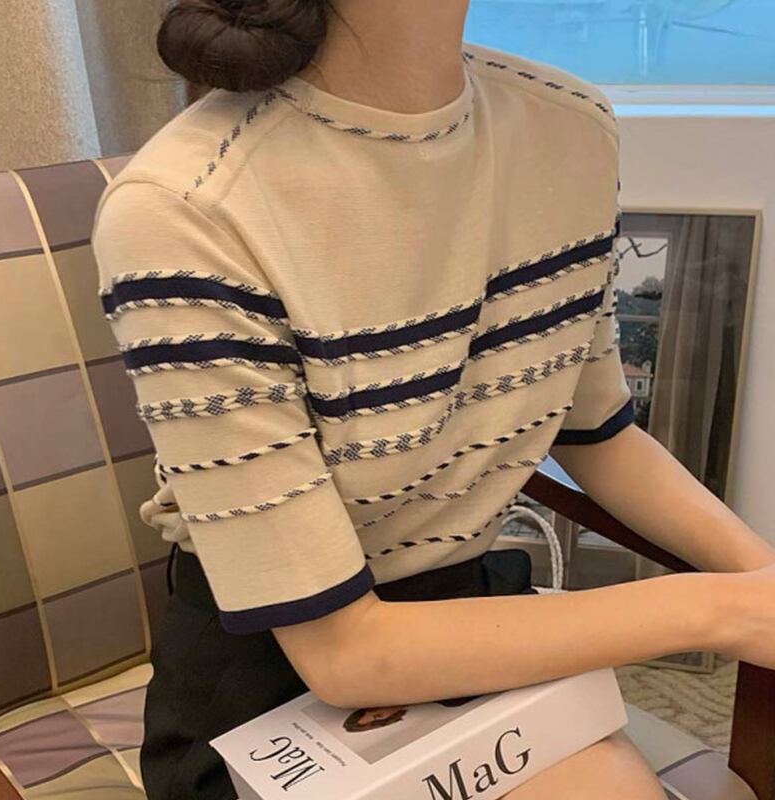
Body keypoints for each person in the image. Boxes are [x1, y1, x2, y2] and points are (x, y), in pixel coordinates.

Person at [91, 1, 775, 798]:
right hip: (271, 682)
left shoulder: (570, 126)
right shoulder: (186, 205)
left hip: (472, 628)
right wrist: (723, 611)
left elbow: (600, 434)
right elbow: (346, 655)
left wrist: (763, 580)